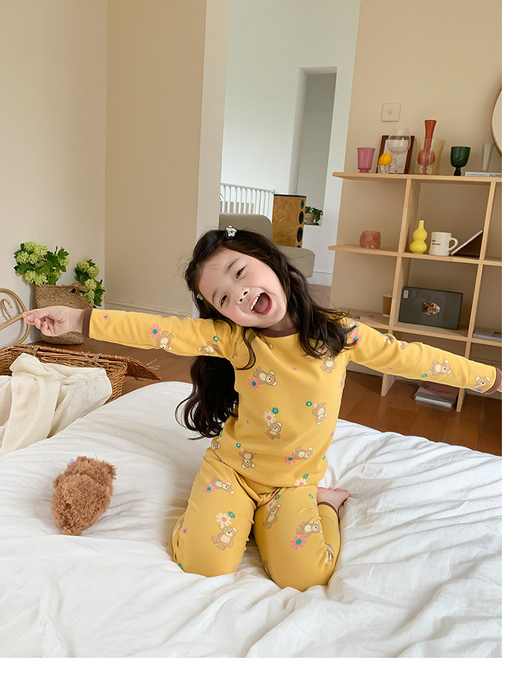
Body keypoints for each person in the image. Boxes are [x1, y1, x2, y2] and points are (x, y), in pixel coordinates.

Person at [23, 225, 502, 591]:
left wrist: (494, 378)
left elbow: (417, 359)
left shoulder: (341, 335)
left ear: (269, 261)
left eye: (240, 273)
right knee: (202, 563)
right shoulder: (234, 340)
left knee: (307, 576)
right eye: (223, 298)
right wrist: (79, 317)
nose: (239, 294)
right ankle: (231, 513)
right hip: (233, 471)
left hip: (293, 482)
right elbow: (158, 331)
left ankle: (324, 503)